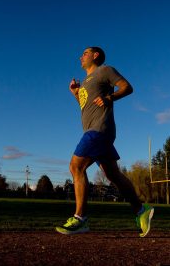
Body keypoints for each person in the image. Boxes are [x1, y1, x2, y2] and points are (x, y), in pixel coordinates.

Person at [55, 47, 154, 237]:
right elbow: (86, 107)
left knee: (76, 167)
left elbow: (127, 87)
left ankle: (80, 218)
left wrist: (110, 97)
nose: (80, 57)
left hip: (99, 130)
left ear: (95, 55)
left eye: (85, 53)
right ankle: (142, 211)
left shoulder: (105, 70)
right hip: (96, 131)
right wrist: (75, 93)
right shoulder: (84, 82)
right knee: (113, 175)